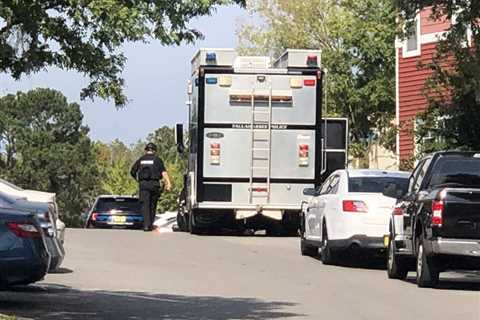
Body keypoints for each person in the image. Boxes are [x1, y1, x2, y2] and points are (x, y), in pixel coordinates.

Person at [131, 142, 172, 231]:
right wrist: (168, 183)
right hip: (154, 184)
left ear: (146, 150)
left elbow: (132, 171)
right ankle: (150, 224)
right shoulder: (157, 160)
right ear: (154, 151)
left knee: (145, 205)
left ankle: (146, 225)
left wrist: (138, 179)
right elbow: (163, 172)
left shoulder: (141, 160)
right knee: (152, 205)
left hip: (143, 185)